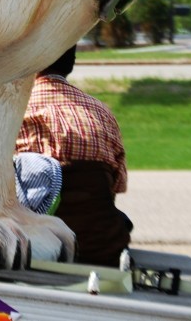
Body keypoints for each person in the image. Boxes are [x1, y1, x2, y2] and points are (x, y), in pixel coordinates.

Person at [15, 45, 132, 266]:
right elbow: (118, 185)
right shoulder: (101, 111)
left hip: (38, 249)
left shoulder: (15, 110)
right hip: (102, 248)